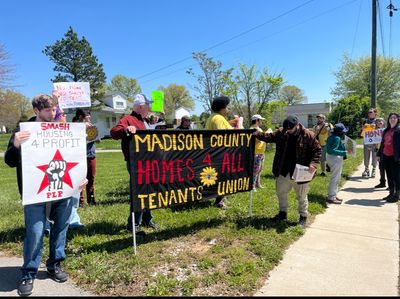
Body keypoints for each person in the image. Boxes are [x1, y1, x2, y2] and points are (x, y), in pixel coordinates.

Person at [4, 94, 87, 296]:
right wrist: (15, 144)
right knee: (35, 232)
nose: (53, 113)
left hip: (64, 190)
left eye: (54, 109)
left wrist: (79, 179)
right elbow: (9, 161)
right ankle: (29, 272)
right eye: (48, 110)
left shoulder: (64, 130)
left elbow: (75, 156)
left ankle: (54, 265)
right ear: (36, 111)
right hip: (36, 193)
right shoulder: (23, 131)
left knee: (60, 229)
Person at [254, 114, 321, 228]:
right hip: (283, 170)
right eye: (286, 129)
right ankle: (282, 213)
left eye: (290, 129)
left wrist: (313, 164)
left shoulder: (308, 135)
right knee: (281, 193)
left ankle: (303, 217)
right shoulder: (282, 132)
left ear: (297, 125)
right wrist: (257, 134)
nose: (288, 131)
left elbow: (317, 150)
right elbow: (269, 137)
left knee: (301, 195)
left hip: (300, 172)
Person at [110, 94, 158, 234]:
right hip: (136, 163)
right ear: (141, 106)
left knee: (148, 190)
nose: (149, 107)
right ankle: (133, 224)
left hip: (148, 161)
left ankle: (147, 219)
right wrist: (126, 130)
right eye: (148, 105)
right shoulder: (128, 119)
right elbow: (114, 132)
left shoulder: (145, 121)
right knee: (140, 192)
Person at [205, 96, 238, 209]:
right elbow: (221, 135)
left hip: (212, 153)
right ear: (222, 108)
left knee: (217, 177)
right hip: (220, 154)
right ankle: (219, 202)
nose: (228, 109)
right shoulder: (218, 118)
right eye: (226, 107)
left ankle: (220, 198)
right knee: (222, 177)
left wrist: (231, 122)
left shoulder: (213, 117)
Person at [74, 109, 97, 207]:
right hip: (80, 156)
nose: (89, 117)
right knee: (80, 179)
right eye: (87, 115)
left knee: (91, 177)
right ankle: (80, 201)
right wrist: (83, 128)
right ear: (80, 116)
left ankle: (91, 200)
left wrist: (96, 136)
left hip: (91, 154)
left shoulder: (90, 125)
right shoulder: (74, 126)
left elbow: (94, 138)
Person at [377, 113, 400, 203]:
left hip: (395, 157)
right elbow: (382, 143)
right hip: (386, 156)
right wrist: (379, 154)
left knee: (396, 177)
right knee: (389, 175)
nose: (392, 119)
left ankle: (397, 195)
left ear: (398, 119)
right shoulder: (386, 131)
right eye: (391, 118)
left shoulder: (398, 130)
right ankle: (391, 193)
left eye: (394, 118)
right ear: (388, 119)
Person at [326, 123, 349, 204]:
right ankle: (331, 197)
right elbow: (332, 150)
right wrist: (344, 152)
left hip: (330, 158)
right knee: (335, 178)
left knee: (336, 177)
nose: (344, 133)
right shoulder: (337, 138)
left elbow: (328, 150)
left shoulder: (331, 137)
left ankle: (334, 195)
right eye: (343, 132)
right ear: (340, 132)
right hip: (335, 158)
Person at [250, 114, 267, 190]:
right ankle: (252, 186)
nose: (261, 121)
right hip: (256, 153)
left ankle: (257, 184)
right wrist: (264, 136)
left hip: (261, 152)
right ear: (257, 120)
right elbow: (252, 142)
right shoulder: (252, 129)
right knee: (255, 170)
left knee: (259, 169)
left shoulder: (258, 128)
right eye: (261, 120)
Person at [361, 108, 378, 178]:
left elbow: (381, 129)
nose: (369, 113)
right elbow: (362, 130)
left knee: (374, 156)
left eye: (371, 112)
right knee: (366, 156)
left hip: (375, 142)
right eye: (369, 112)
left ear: (375, 113)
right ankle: (366, 169)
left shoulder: (377, 121)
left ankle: (374, 170)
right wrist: (363, 127)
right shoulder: (365, 121)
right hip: (367, 141)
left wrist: (376, 127)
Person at [374, 118, 387, 188]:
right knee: (381, 167)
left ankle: (391, 185)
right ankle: (382, 182)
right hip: (379, 151)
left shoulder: (387, 130)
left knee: (388, 168)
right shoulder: (374, 132)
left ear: (384, 122)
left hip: (387, 150)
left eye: (381, 121)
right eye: (378, 121)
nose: (379, 122)